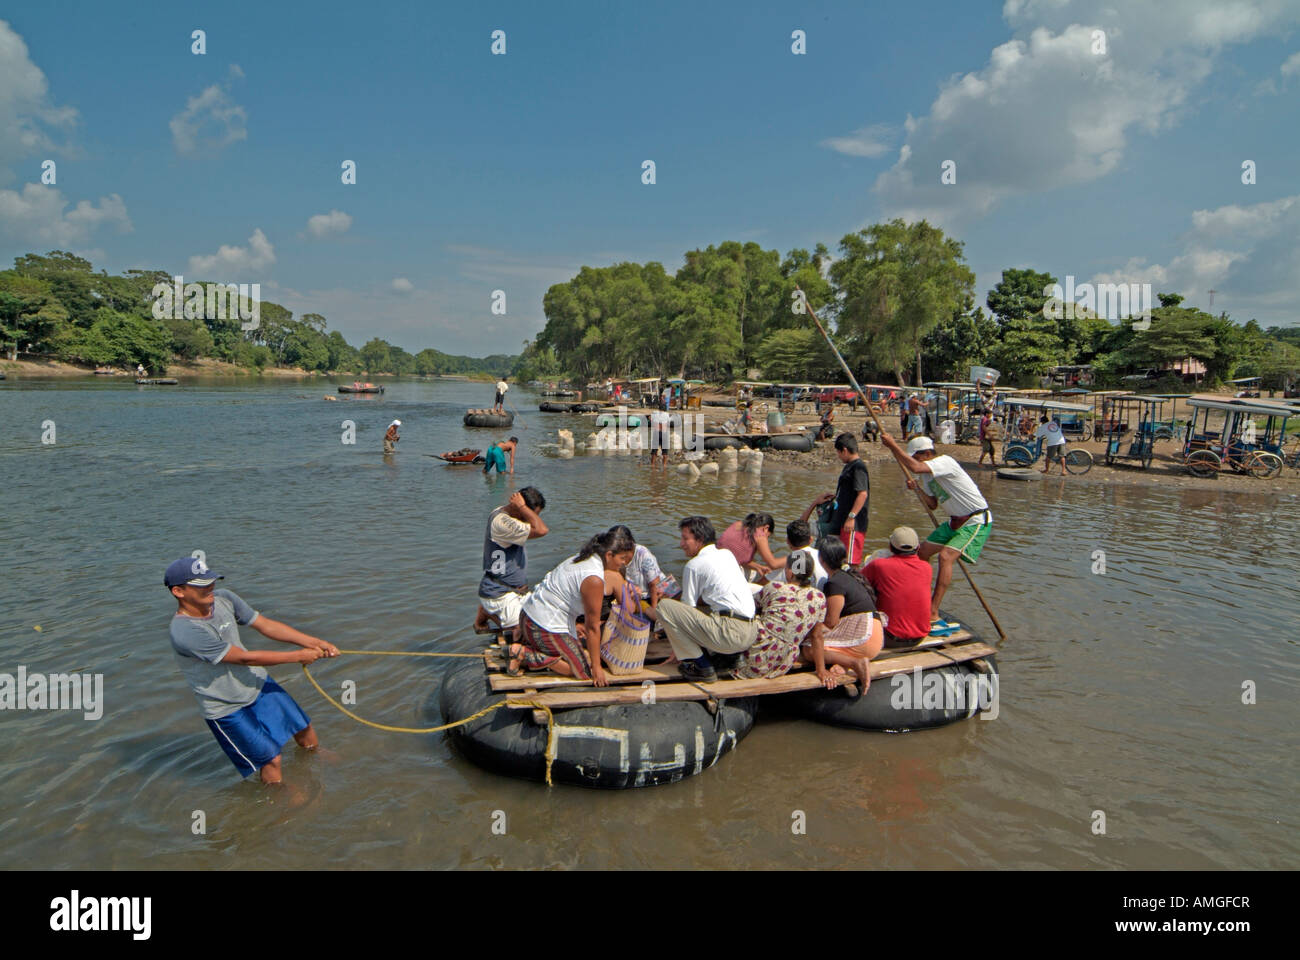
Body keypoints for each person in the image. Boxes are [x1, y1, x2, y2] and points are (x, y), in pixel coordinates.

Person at [164, 557, 338, 783]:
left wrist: (314, 642)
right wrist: (298, 656)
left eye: (211, 581)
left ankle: (315, 760)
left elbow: (265, 625)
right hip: (225, 706)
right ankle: (279, 799)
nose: (210, 588)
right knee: (271, 759)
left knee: (303, 728)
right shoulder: (184, 631)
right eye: (201, 585)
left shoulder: (225, 599)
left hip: (256, 684)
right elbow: (244, 658)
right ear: (178, 591)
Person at [879, 432, 992, 633]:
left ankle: (933, 610)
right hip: (953, 522)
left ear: (927, 453)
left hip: (975, 519)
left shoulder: (944, 462)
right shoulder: (926, 476)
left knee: (945, 557)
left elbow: (914, 467)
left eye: (916, 456)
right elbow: (932, 504)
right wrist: (917, 490)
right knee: (920, 554)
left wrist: (892, 444)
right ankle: (916, 599)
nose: (914, 461)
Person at [508, 528, 636, 686]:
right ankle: (524, 654)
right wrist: (597, 668)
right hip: (542, 628)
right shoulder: (594, 578)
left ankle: (526, 648)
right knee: (584, 672)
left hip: (528, 617)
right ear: (609, 555)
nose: (624, 564)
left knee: (585, 656)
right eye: (622, 559)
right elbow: (592, 627)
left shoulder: (584, 557)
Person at [641, 517, 757, 682]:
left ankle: (700, 666)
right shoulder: (726, 554)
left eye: (685, 538)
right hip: (750, 633)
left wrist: (679, 647)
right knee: (710, 607)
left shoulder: (694, 565)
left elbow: (687, 609)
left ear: (700, 539)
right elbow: (714, 597)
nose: (681, 543)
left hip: (729, 634)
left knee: (665, 607)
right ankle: (731, 658)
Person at [801, 536, 881, 693]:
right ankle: (844, 663)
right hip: (875, 634)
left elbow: (831, 622)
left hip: (866, 636)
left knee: (809, 649)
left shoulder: (834, 583)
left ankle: (854, 662)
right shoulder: (850, 575)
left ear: (821, 559)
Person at [732, 551, 826, 680]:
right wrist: (821, 670)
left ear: (790, 572)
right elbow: (817, 636)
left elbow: (747, 607)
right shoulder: (819, 598)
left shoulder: (776, 587)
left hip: (757, 654)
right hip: (783, 663)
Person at [474, 488, 548, 633]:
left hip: (515, 590)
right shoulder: (501, 522)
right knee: (520, 632)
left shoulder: (507, 515)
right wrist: (522, 506)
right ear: (518, 507)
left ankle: (490, 613)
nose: (530, 520)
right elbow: (541, 530)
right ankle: (487, 612)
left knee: (541, 623)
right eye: (530, 515)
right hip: (499, 592)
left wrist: (523, 509)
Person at [806, 433, 870, 566]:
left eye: (838, 453)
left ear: (844, 450)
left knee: (850, 561)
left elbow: (862, 494)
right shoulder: (850, 466)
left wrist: (851, 517)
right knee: (842, 559)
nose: (838, 456)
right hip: (844, 520)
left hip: (853, 523)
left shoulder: (858, 467)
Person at [861, 526, 932, 644]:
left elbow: (856, 582)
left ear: (890, 547)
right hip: (920, 636)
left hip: (889, 637)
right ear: (918, 547)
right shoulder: (927, 568)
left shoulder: (879, 565)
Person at [608, 526, 681, 600]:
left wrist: (654, 609)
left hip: (658, 593)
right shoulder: (611, 555)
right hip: (636, 594)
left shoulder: (643, 554)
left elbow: (654, 585)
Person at [765, 520, 829, 589]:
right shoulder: (820, 554)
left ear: (787, 541)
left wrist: (762, 540)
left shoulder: (795, 558)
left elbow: (773, 564)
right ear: (811, 539)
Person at [716, 512, 781, 579]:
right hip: (728, 574)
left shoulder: (738, 524)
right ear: (766, 528)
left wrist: (758, 567)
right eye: (768, 536)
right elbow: (773, 564)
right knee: (774, 574)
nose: (766, 538)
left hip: (715, 565)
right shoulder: (760, 535)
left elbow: (737, 557)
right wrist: (791, 557)